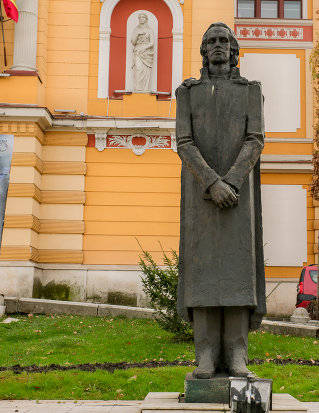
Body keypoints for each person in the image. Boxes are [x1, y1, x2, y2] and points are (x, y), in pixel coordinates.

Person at [176, 22, 265, 379]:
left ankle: (237, 353)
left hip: (238, 198)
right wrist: (213, 183)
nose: (217, 46)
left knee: (236, 273)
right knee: (204, 275)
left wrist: (231, 181)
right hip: (202, 197)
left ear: (233, 50)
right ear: (203, 50)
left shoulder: (250, 91)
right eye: (211, 41)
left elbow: (255, 139)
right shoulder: (188, 93)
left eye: (223, 41)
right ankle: (207, 355)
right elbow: (184, 142)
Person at [131, 12, 155, 92]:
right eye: (139, 17)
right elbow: (133, 42)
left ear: (146, 19)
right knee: (138, 69)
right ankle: (137, 89)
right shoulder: (136, 29)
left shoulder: (149, 30)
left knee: (146, 70)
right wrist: (137, 34)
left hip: (146, 52)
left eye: (142, 17)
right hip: (138, 51)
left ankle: (145, 89)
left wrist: (144, 48)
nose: (141, 19)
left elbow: (152, 43)